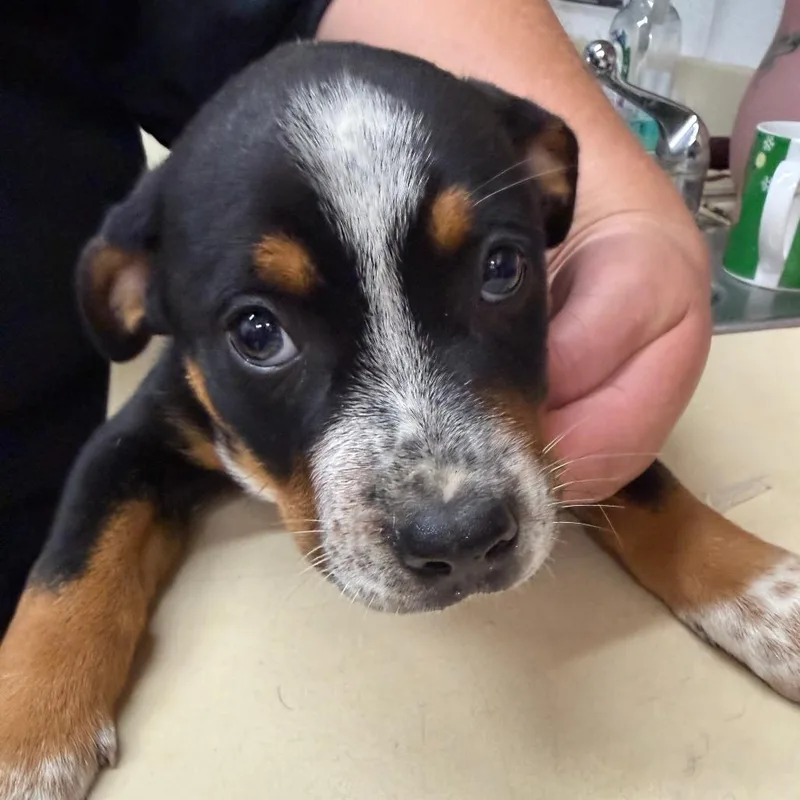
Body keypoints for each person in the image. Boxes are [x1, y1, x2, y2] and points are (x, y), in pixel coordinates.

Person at [0, 0, 710, 629]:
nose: (448, 499)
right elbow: (128, 464)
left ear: (544, 177)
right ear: (132, 291)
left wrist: (623, 216)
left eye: (498, 271)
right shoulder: (182, 304)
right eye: (261, 333)